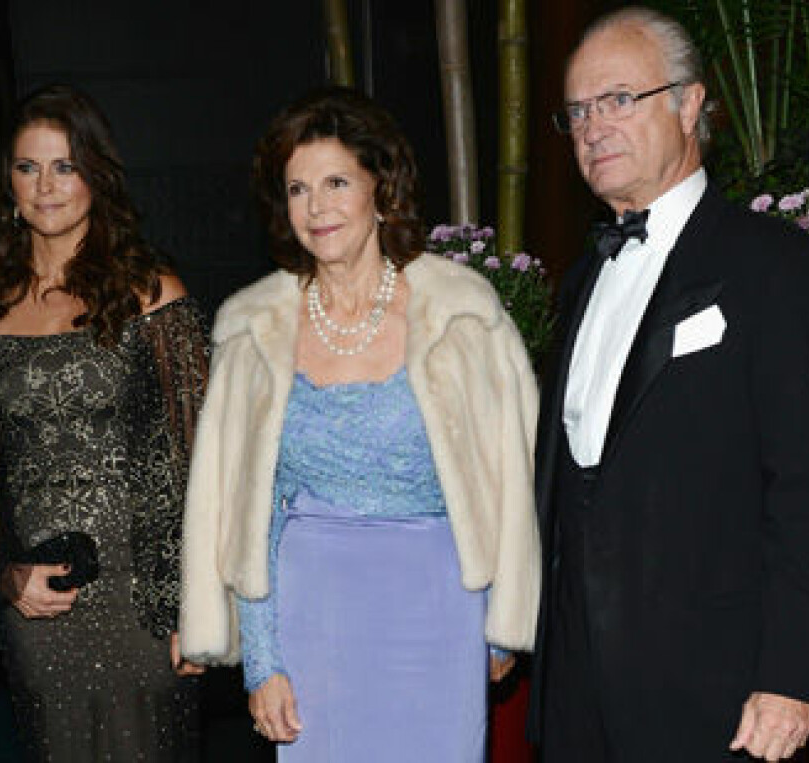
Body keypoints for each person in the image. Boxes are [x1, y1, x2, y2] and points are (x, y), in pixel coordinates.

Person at [528, 7, 809, 762]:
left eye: (618, 99)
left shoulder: (777, 269)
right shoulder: (579, 281)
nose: (593, 127)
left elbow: (805, 491)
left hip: (717, 694)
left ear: (689, 104)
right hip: (578, 694)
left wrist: (791, 676)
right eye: (578, 111)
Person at [179, 87, 540, 762]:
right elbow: (246, 511)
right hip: (312, 618)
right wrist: (262, 658)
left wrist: (502, 621)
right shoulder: (252, 329)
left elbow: (510, 479)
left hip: (439, 611)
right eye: (298, 189)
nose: (316, 207)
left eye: (337, 182)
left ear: (382, 187)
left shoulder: (462, 314)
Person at [0, 84, 209, 761]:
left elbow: (201, 461)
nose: (46, 186)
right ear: (9, 182)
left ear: (96, 176)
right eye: (28, 167)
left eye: (65, 166)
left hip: (148, 599)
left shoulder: (152, 294)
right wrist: (5, 579)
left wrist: (204, 605)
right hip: (40, 599)